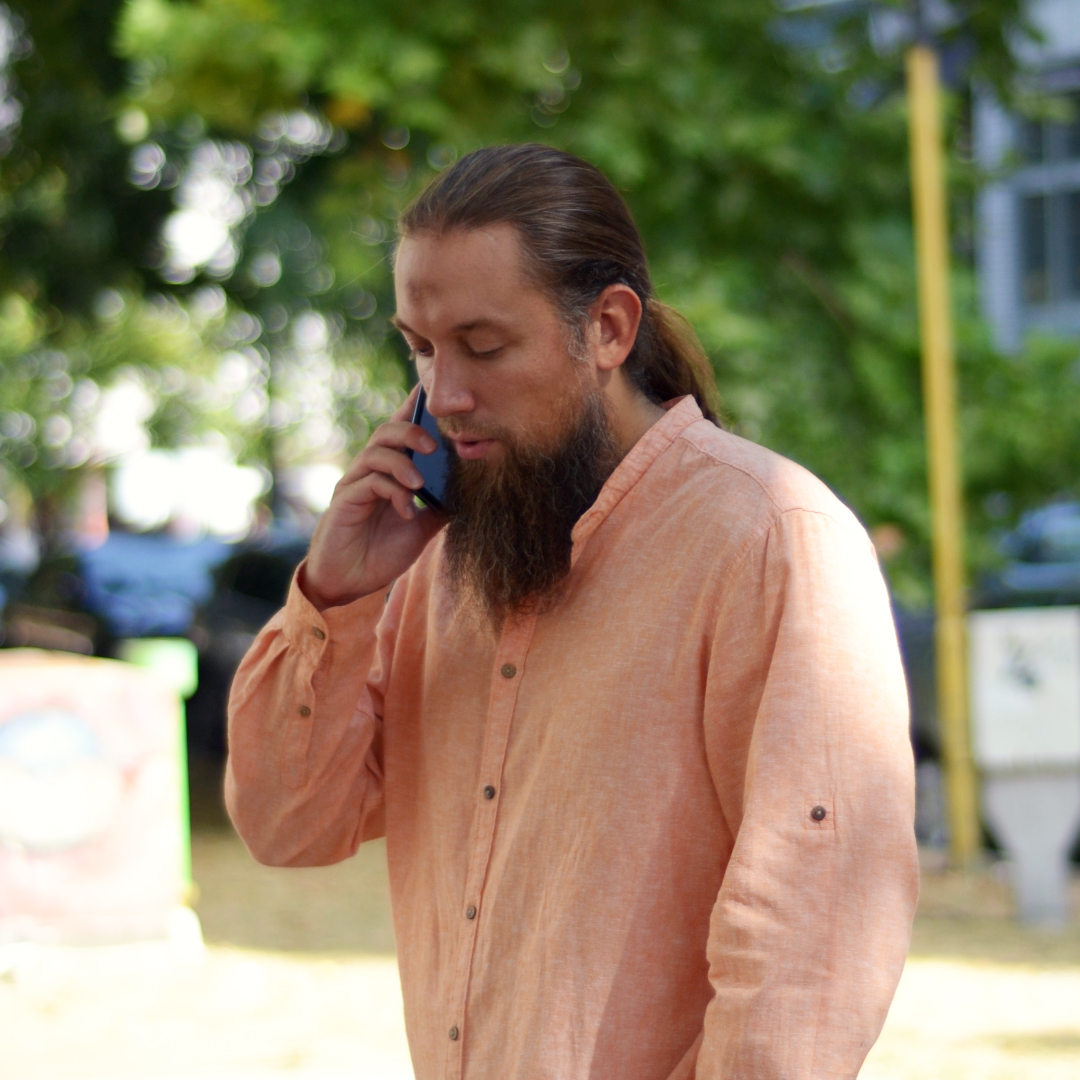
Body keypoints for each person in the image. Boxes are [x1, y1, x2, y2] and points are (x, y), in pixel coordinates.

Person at [226, 143, 918, 1080]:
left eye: (484, 345)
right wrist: (335, 597)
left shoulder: (769, 537)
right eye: (421, 348)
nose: (445, 396)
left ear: (609, 327)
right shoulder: (432, 560)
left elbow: (810, 935)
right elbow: (288, 828)